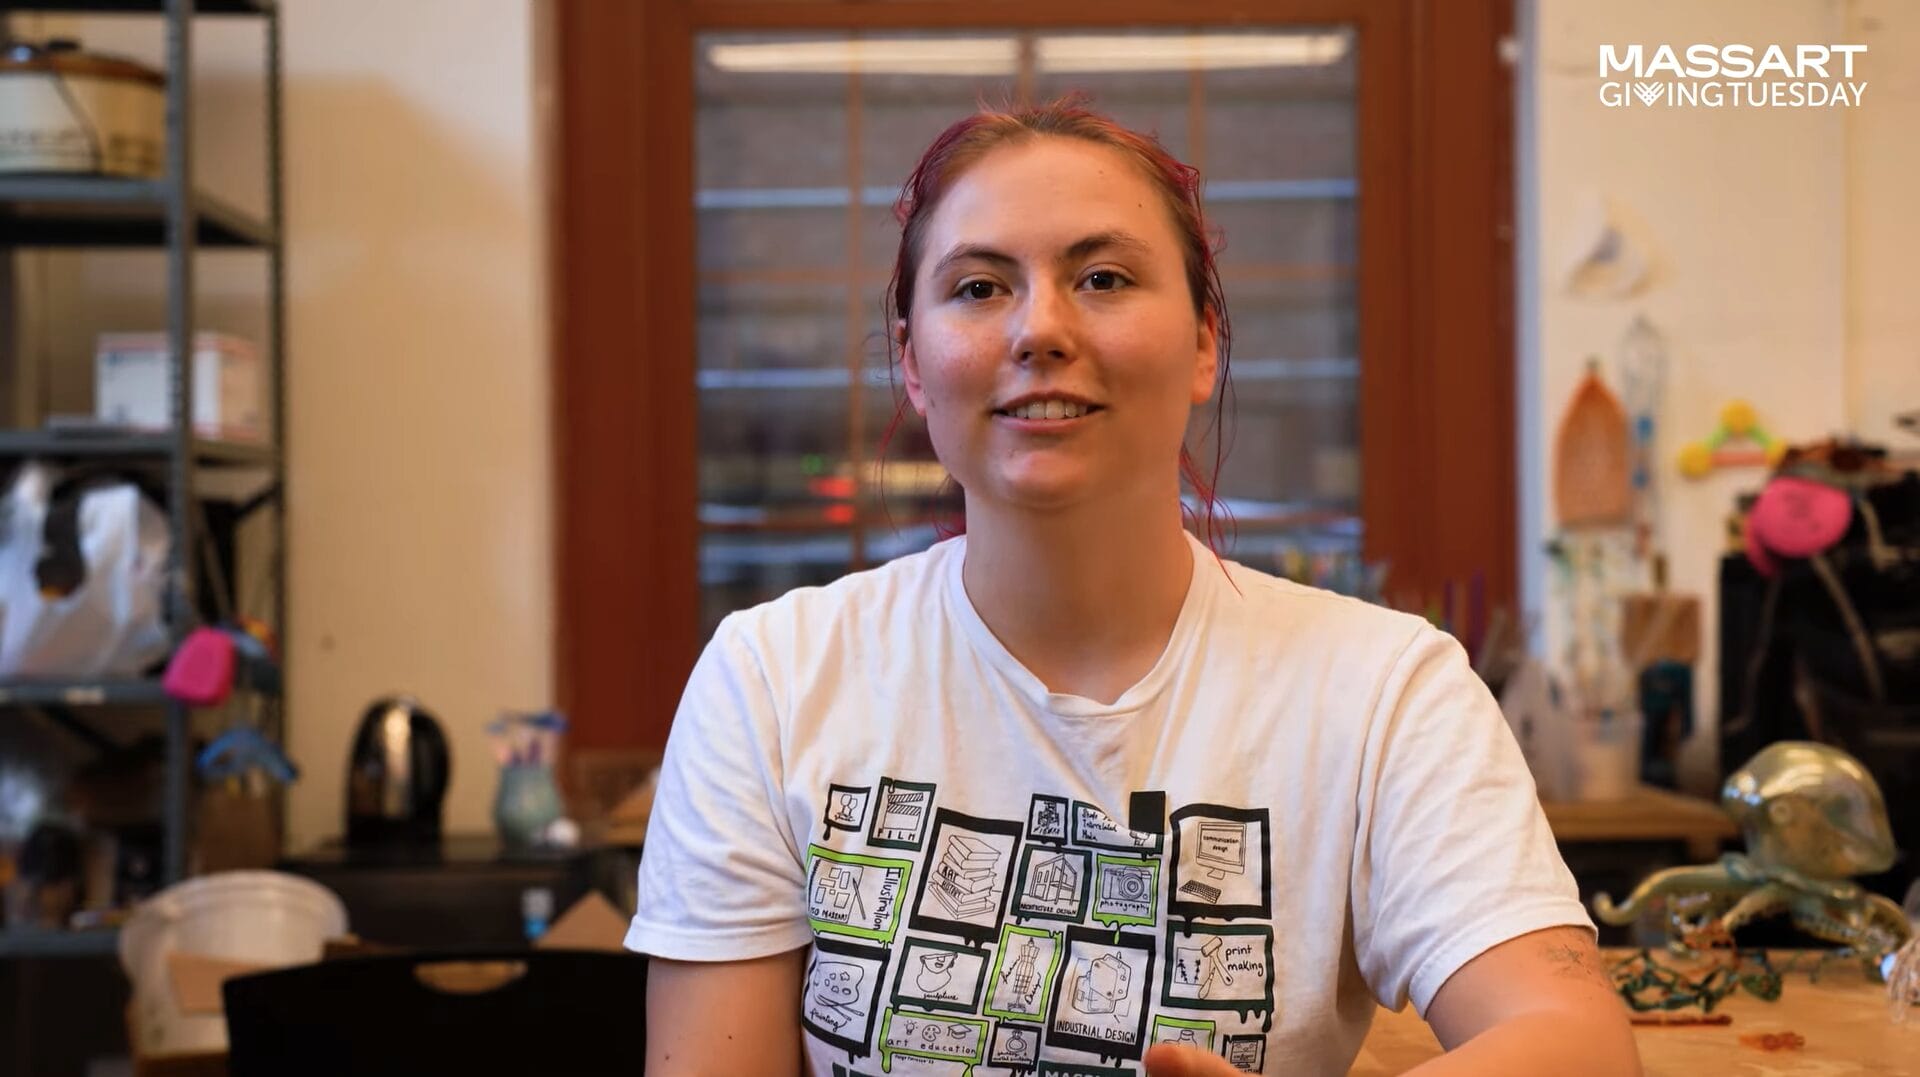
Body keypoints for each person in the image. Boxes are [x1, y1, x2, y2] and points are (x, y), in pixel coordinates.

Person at [629, 99, 1641, 1077]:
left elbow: (1576, 1041)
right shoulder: (772, 680)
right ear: (912, 363)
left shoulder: (1382, 690)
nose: (1041, 330)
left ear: (1206, 342)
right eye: (979, 288)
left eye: (1104, 277)